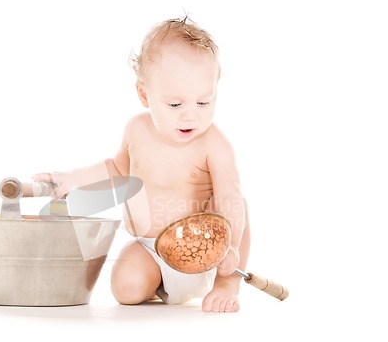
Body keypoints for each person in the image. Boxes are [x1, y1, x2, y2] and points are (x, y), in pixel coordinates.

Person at [33, 16, 250, 312]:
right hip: (151, 249)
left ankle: (226, 284)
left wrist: (231, 249)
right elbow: (116, 170)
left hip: (208, 253)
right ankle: (156, 283)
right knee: (126, 288)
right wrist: (72, 179)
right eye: (175, 105)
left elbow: (229, 200)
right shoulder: (136, 130)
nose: (191, 115)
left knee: (238, 208)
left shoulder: (215, 145)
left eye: (204, 102)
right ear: (144, 94)